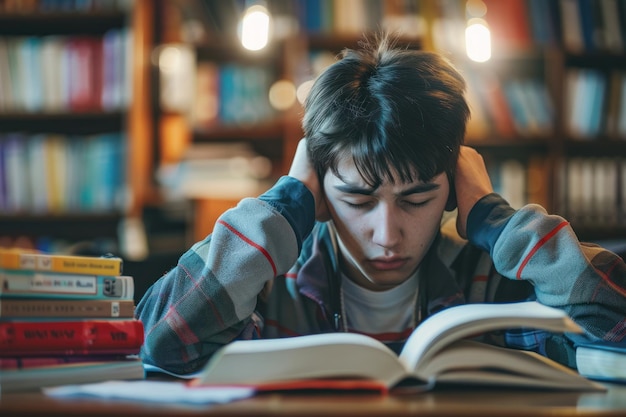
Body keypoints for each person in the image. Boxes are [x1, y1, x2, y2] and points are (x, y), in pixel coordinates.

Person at [136, 34, 626, 376]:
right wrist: (286, 203)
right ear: (320, 192)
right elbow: (159, 344)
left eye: (417, 198)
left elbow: (616, 329)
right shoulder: (261, 284)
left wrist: (495, 219)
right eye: (357, 198)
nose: (387, 234)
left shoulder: (497, 281)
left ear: (453, 188)